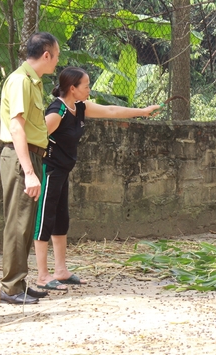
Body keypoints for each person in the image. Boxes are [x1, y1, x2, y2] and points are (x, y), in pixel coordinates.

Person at [34, 66, 160, 290]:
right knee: (45, 220)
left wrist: (142, 111)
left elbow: (110, 110)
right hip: (50, 170)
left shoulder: (79, 107)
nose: (89, 90)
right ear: (72, 88)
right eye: (86, 86)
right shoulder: (57, 112)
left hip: (64, 170)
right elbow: (36, 137)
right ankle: (42, 275)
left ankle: (61, 270)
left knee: (61, 219)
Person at [0, 32, 59, 304]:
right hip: (21, 158)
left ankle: (18, 282)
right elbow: (16, 127)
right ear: (46, 55)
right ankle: (11, 287)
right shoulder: (21, 81)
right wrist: (29, 172)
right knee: (18, 223)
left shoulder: (34, 83)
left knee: (25, 224)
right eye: (56, 56)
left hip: (31, 156)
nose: (57, 62)